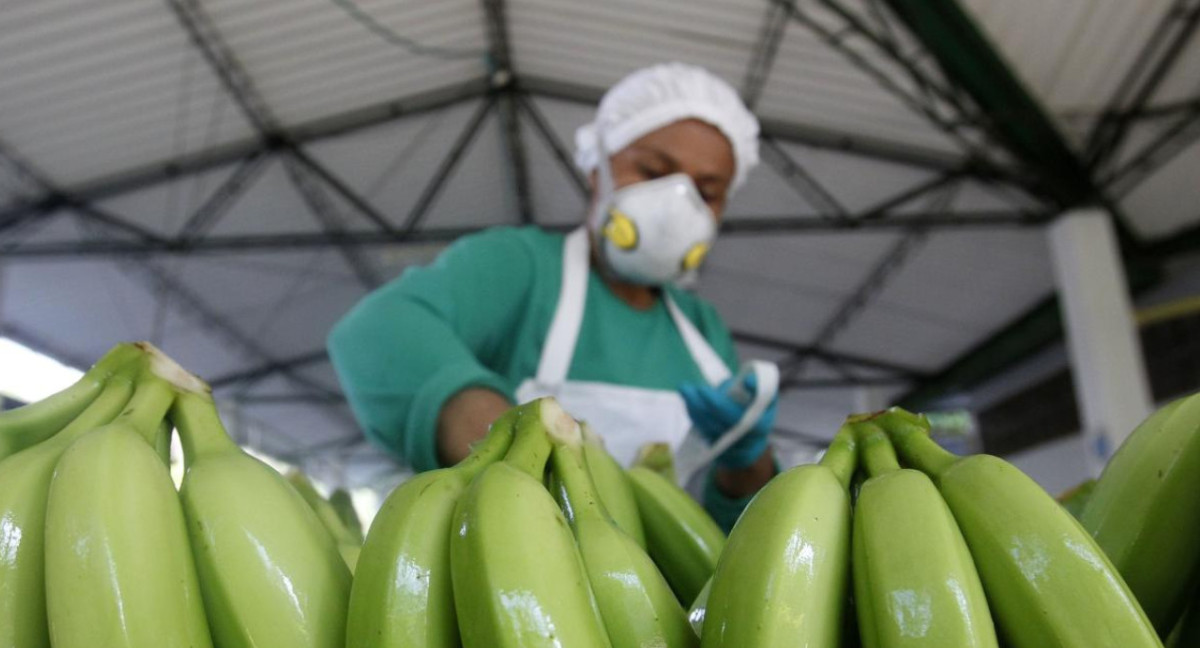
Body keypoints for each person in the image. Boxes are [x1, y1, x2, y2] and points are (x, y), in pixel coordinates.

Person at [327, 62, 779, 529]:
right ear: (596, 169)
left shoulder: (703, 333)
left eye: (707, 192)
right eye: (651, 170)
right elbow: (377, 331)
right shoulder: (522, 268)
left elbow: (735, 533)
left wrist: (747, 461)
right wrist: (512, 453)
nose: (679, 205)